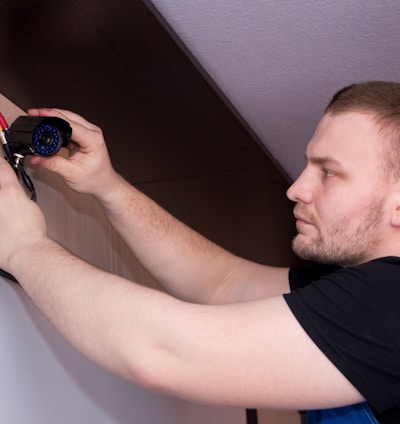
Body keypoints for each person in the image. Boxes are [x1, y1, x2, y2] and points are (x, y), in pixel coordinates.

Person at [0, 80, 399, 423]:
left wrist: (23, 247)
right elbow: (223, 283)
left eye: (328, 172)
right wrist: (108, 186)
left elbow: (161, 351)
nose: (296, 189)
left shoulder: (390, 302)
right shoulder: (357, 292)